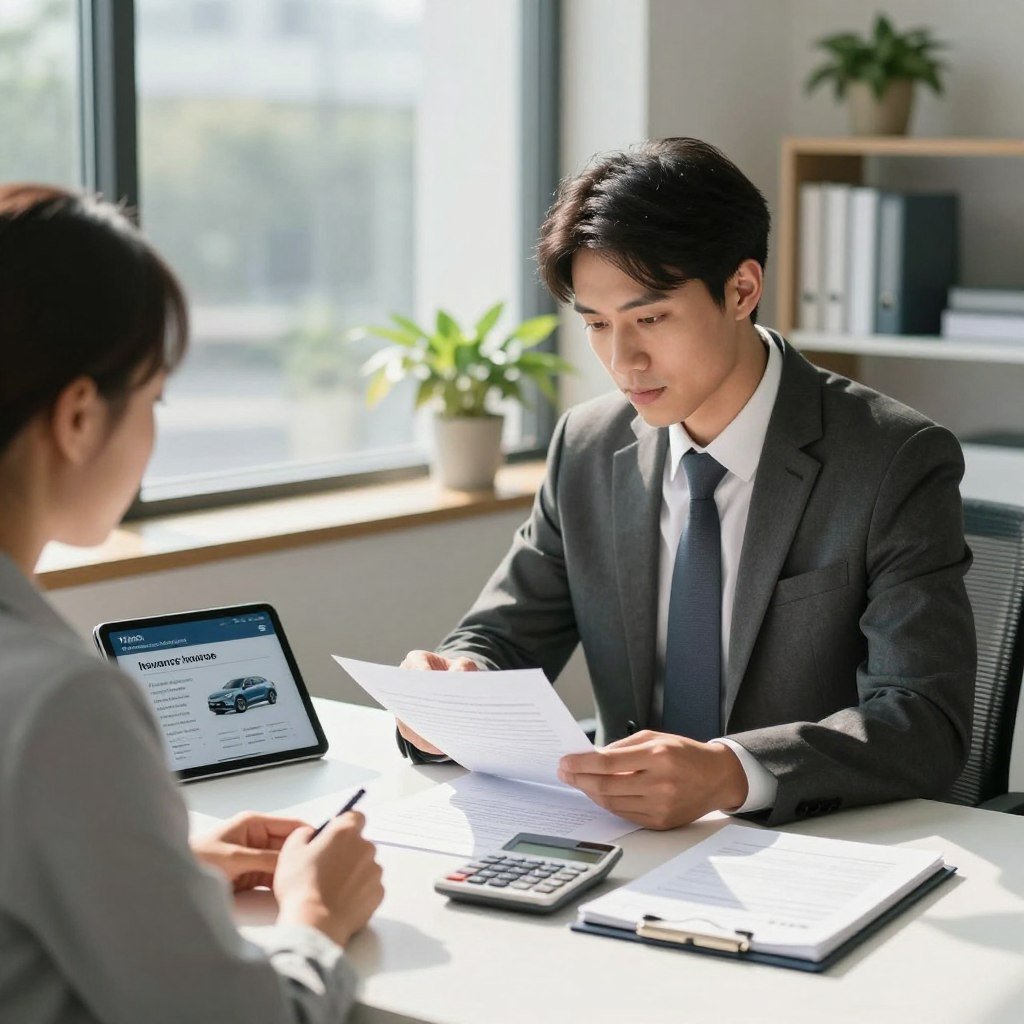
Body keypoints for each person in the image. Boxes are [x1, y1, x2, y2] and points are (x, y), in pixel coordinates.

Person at [398, 137, 976, 830]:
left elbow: (924, 719)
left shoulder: (893, 459)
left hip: (816, 844)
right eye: (595, 324)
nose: (622, 359)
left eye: (649, 319)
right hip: (628, 845)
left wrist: (732, 773)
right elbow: (505, 639)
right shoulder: (587, 445)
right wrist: (457, 685)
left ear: (741, 289)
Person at [0, 184, 383, 1023]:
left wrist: (151, 866)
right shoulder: (62, 702)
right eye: (153, 401)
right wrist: (318, 919)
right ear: (75, 416)